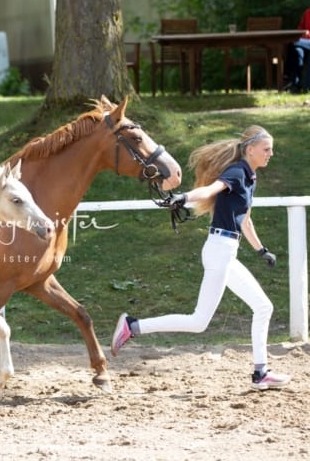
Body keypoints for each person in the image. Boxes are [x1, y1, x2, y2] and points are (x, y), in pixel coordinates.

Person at [111, 125, 291, 391]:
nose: (271, 154)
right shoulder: (237, 172)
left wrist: (261, 250)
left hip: (226, 251)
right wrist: (184, 197)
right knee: (198, 322)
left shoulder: (250, 177)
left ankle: (260, 372)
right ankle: (132, 326)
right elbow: (210, 190)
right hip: (220, 251)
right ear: (250, 149)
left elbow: (246, 220)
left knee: (264, 307)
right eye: (266, 149)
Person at [284, 7, 310, 93]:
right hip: (304, 42)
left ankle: (286, 75)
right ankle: (295, 85)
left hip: (305, 41)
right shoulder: (307, 12)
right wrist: (303, 32)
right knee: (298, 52)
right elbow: (300, 29)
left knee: (293, 43)